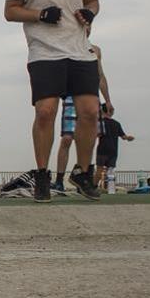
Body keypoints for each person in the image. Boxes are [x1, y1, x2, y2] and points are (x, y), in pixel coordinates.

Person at [4, 0, 102, 203]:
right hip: (44, 52)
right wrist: (39, 14)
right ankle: (43, 174)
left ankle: (83, 172)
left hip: (80, 51)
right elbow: (10, 11)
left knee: (90, 112)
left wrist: (91, 12)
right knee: (46, 111)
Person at [53, 33, 109, 191]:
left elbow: (101, 76)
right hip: (71, 95)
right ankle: (59, 179)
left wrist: (108, 100)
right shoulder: (65, 45)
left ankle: (83, 174)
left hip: (90, 95)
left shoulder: (95, 50)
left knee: (90, 138)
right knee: (66, 139)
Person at [94, 105, 134, 189]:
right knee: (111, 171)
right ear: (110, 112)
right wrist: (129, 138)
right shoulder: (116, 123)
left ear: (102, 111)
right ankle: (110, 188)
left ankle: (93, 187)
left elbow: (96, 134)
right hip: (113, 150)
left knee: (99, 170)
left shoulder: (100, 122)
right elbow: (124, 137)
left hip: (102, 149)